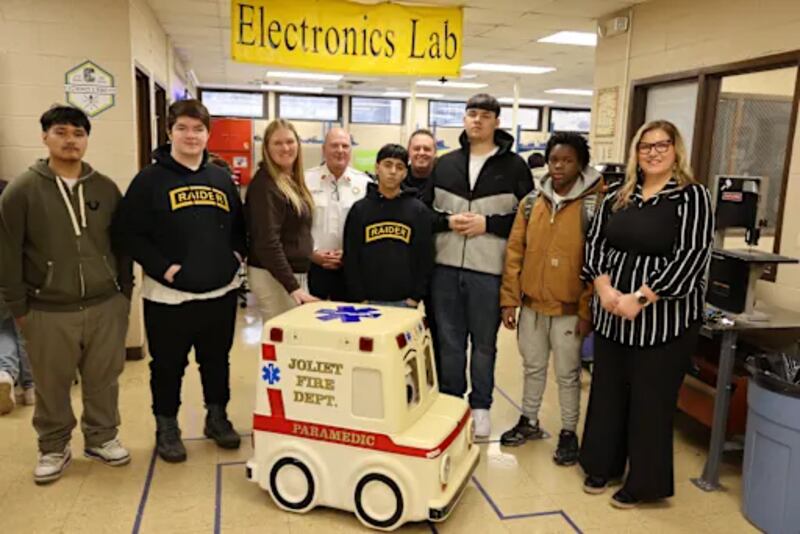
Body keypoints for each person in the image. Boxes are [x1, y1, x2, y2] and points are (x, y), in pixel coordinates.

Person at [579, 120, 713, 508]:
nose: (653, 152)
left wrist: (640, 297)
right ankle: (602, 465)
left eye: (662, 145)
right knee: (607, 394)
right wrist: (604, 288)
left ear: (676, 149)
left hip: (663, 322)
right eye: (645, 146)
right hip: (611, 314)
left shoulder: (692, 197)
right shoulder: (617, 195)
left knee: (649, 403)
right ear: (635, 152)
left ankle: (643, 483)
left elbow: (691, 257)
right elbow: (595, 244)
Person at [0, 105, 132, 483]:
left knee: (103, 378)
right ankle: (53, 446)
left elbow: (122, 247)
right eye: (61, 132)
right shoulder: (21, 191)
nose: (70, 140)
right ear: (45, 137)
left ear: (87, 139)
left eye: (78, 133)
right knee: (51, 383)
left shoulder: (105, 188)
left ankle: (101, 437)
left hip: (105, 303)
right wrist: (19, 308)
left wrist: (124, 293)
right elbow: (7, 254)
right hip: (47, 308)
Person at [114, 99, 246, 463]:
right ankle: (167, 427)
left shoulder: (221, 178)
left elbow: (240, 227)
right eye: (183, 128)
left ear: (208, 134)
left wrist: (234, 258)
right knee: (168, 366)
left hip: (219, 292)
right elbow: (128, 234)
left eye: (198, 129)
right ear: (169, 131)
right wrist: (164, 268)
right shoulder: (148, 180)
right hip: (168, 297)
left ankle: (217, 417)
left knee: (216, 361)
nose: (191, 136)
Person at [430, 94, 533, 437]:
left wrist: (488, 224)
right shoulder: (445, 164)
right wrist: (448, 221)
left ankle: (481, 406)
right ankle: (451, 401)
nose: (477, 120)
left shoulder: (515, 168)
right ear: (464, 119)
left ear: (496, 122)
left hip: (489, 272)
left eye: (485, 115)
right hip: (445, 268)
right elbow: (424, 212)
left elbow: (528, 219)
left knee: (484, 344)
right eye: (472, 114)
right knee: (449, 341)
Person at [499, 132, 602, 465]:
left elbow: (597, 263)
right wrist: (510, 300)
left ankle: (569, 432)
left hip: (569, 310)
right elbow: (515, 252)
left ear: (580, 164)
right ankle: (528, 420)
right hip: (532, 306)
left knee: (568, 374)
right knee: (532, 367)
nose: (559, 167)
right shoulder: (531, 203)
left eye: (567, 161)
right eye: (554, 160)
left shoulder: (594, 206)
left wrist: (586, 310)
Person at [343, 144, 433, 307]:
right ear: (377, 168)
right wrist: (358, 296)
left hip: (405, 301)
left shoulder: (418, 211)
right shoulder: (360, 210)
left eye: (399, 167)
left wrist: (416, 296)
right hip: (366, 301)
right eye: (388, 165)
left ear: (405, 173)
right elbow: (351, 256)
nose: (393, 171)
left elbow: (425, 256)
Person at [245, 119, 317, 321]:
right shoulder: (265, 185)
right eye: (277, 143)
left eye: (290, 142)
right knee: (284, 336)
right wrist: (292, 287)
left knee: (294, 334)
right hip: (273, 276)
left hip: (290, 273)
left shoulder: (291, 180)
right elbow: (267, 242)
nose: (285, 148)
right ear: (266, 148)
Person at [305, 127, 372, 301]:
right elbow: (296, 226)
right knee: (311, 315)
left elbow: (368, 228)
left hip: (350, 269)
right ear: (323, 149)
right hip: (312, 266)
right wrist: (311, 253)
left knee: (347, 316)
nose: (340, 150)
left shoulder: (365, 184)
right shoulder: (305, 181)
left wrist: (348, 254)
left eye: (345, 146)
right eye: (334, 145)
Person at [0, 179, 35, 415]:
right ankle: (31, 386)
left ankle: (4, 374)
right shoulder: (12, 192)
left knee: (3, 329)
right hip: (17, 273)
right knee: (23, 329)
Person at [404, 129, 437, 206]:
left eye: (427, 149)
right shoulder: (398, 180)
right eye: (416, 149)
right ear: (408, 152)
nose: (421, 153)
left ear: (435, 153)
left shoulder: (444, 181)